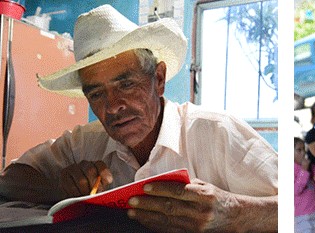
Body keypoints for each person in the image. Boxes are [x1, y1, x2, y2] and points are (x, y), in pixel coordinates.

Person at [0, 5, 277, 232]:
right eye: (96, 93)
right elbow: (9, 180)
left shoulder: (216, 132)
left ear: (158, 80)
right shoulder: (85, 142)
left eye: (126, 84)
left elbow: (293, 206)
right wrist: (59, 186)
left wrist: (235, 212)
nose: (113, 107)